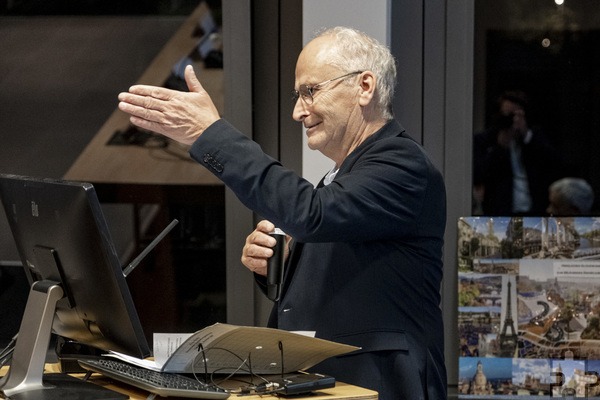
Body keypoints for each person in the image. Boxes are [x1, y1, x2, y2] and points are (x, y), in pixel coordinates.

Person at [118, 26, 447, 399]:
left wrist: (208, 133)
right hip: (332, 384)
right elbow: (347, 265)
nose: (297, 111)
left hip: (380, 385)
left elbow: (312, 215)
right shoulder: (345, 175)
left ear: (365, 86)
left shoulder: (403, 164)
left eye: (309, 91)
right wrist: (284, 262)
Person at [473, 90, 567, 216]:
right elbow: (479, 174)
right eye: (507, 115)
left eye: (516, 115)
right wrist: (500, 147)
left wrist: (526, 136)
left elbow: (555, 164)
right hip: (500, 213)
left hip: (535, 211)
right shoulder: (486, 140)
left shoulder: (534, 137)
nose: (511, 120)